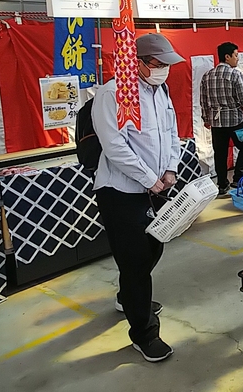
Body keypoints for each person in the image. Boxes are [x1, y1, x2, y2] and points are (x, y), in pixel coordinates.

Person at [91, 33, 184, 363]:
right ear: (138, 62)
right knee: (134, 261)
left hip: (157, 186)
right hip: (121, 191)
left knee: (153, 248)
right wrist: (149, 179)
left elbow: (171, 131)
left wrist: (170, 169)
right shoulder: (113, 93)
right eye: (158, 64)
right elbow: (114, 146)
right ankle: (143, 332)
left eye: (167, 65)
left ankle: (129, 297)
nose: (164, 70)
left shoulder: (161, 91)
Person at [200, 42, 243, 196]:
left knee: (220, 152)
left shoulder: (207, 75)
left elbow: (203, 100)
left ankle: (222, 184)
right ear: (227, 56)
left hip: (216, 121)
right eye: (236, 55)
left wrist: (206, 118)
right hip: (236, 119)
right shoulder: (235, 74)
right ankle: (238, 178)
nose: (237, 59)